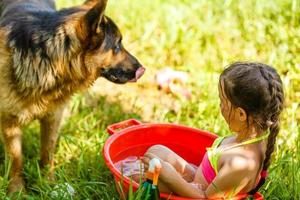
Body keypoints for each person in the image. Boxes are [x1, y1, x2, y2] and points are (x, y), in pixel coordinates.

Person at [142, 62, 284, 199]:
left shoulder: (241, 164)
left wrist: (170, 176)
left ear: (241, 114)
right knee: (157, 151)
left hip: (194, 195)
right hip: (196, 184)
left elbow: (205, 198)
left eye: (223, 101)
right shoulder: (249, 136)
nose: (220, 105)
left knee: (141, 178)